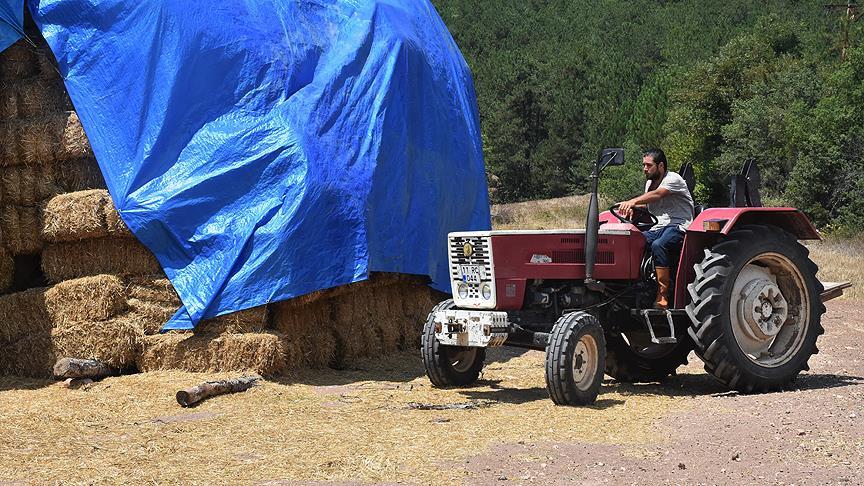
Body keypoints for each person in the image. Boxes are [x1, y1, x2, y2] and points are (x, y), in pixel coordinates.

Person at [616, 148, 694, 309]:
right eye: (643, 165)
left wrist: (633, 201)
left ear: (660, 166)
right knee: (634, 241)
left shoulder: (673, 179)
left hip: (679, 225)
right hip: (658, 226)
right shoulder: (649, 184)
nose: (645, 169)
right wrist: (634, 207)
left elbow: (659, 195)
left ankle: (663, 295)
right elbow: (651, 203)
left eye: (648, 165)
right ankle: (632, 288)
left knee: (660, 244)